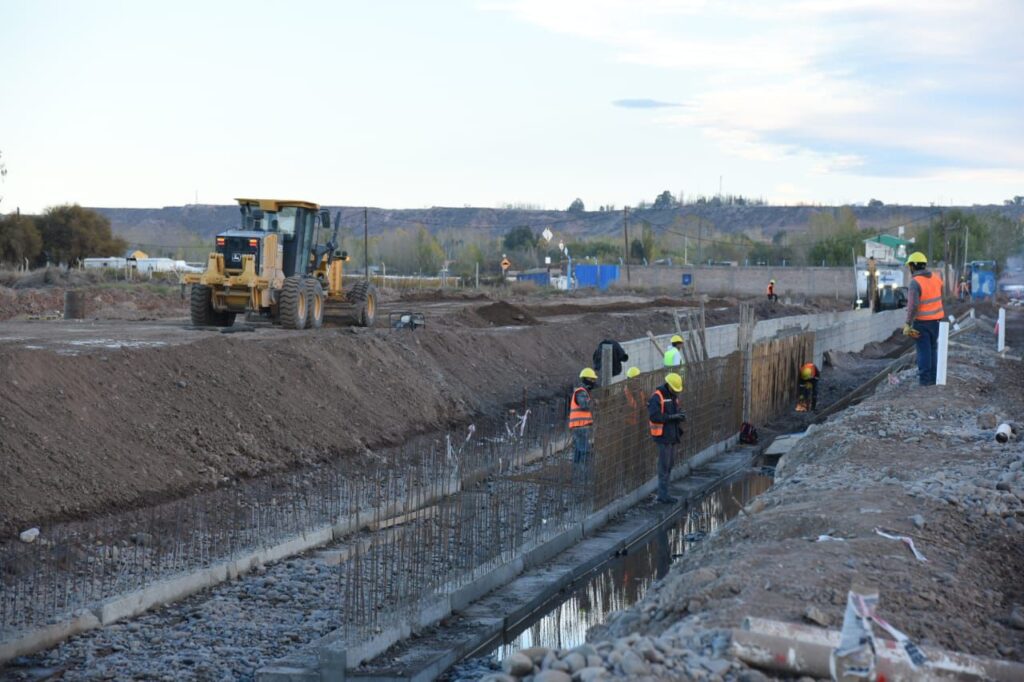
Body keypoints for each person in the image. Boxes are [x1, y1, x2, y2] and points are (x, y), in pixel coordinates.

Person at [903, 252, 945, 386]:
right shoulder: (936, 278)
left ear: (913, 266)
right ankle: (933, 378)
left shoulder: (915, 283)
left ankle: (925, 380)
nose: (909, 269)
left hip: (921, 322)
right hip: (936, 322)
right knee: (932, 349)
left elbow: (913, 305)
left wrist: (907, 323)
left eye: (910, 266)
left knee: (923, 351)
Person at [648, 372, 686, 504]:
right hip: (663, 437)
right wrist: (671, 418)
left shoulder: (672, 396)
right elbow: (654, 416)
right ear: (669, 386)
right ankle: (663, 495)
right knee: (664, 467)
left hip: (672, 435)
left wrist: (679, 415)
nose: (677, 392)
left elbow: (674, 410)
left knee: (669, 465)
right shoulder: (657, 397)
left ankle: (665, 493)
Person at [569, 368, 598, 475]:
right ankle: (585, 476)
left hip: (581, 427)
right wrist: (594, 402)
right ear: (586, 379)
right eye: (592, 379)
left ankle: (576, 475)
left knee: (578, 451)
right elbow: (585, 405)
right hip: (579, 427)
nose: (594, 382)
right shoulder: (581, 392)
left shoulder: (584, 392)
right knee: (585, 451)